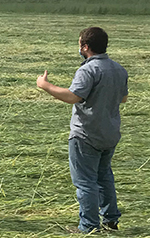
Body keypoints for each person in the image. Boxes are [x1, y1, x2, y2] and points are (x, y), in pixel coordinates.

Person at [36, 27, 128, 233]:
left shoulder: (87, 70)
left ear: (85, 47)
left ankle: (88, 226)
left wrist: (45, 85)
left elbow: (72, 97)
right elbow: (123, 98)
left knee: (86, 183)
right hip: (110, 133)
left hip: (86, 134)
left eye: (79, 44)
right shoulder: (119, 69)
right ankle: (111, 221)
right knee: (104, 178)